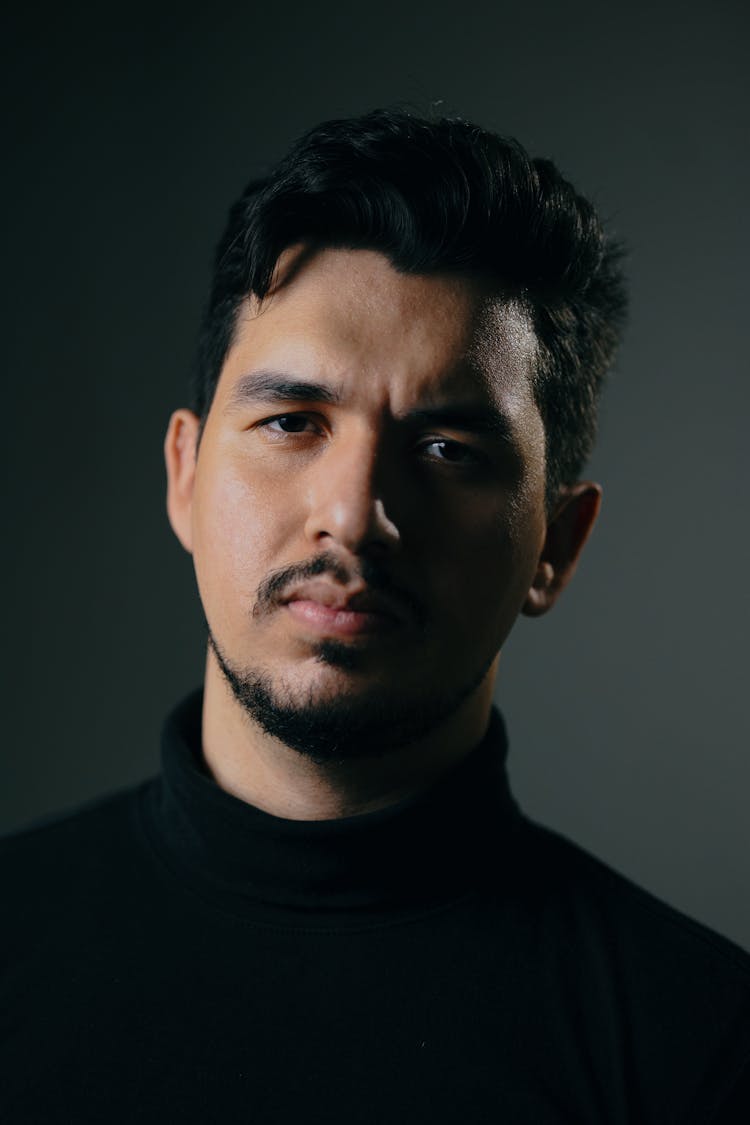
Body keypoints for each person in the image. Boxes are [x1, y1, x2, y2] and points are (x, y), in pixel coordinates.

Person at [2, 109, 749, 1123]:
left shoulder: (700, 1048)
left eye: (447, 450)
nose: (352, 517)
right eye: (291, 423)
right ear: (184, 476)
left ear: (556, 546)